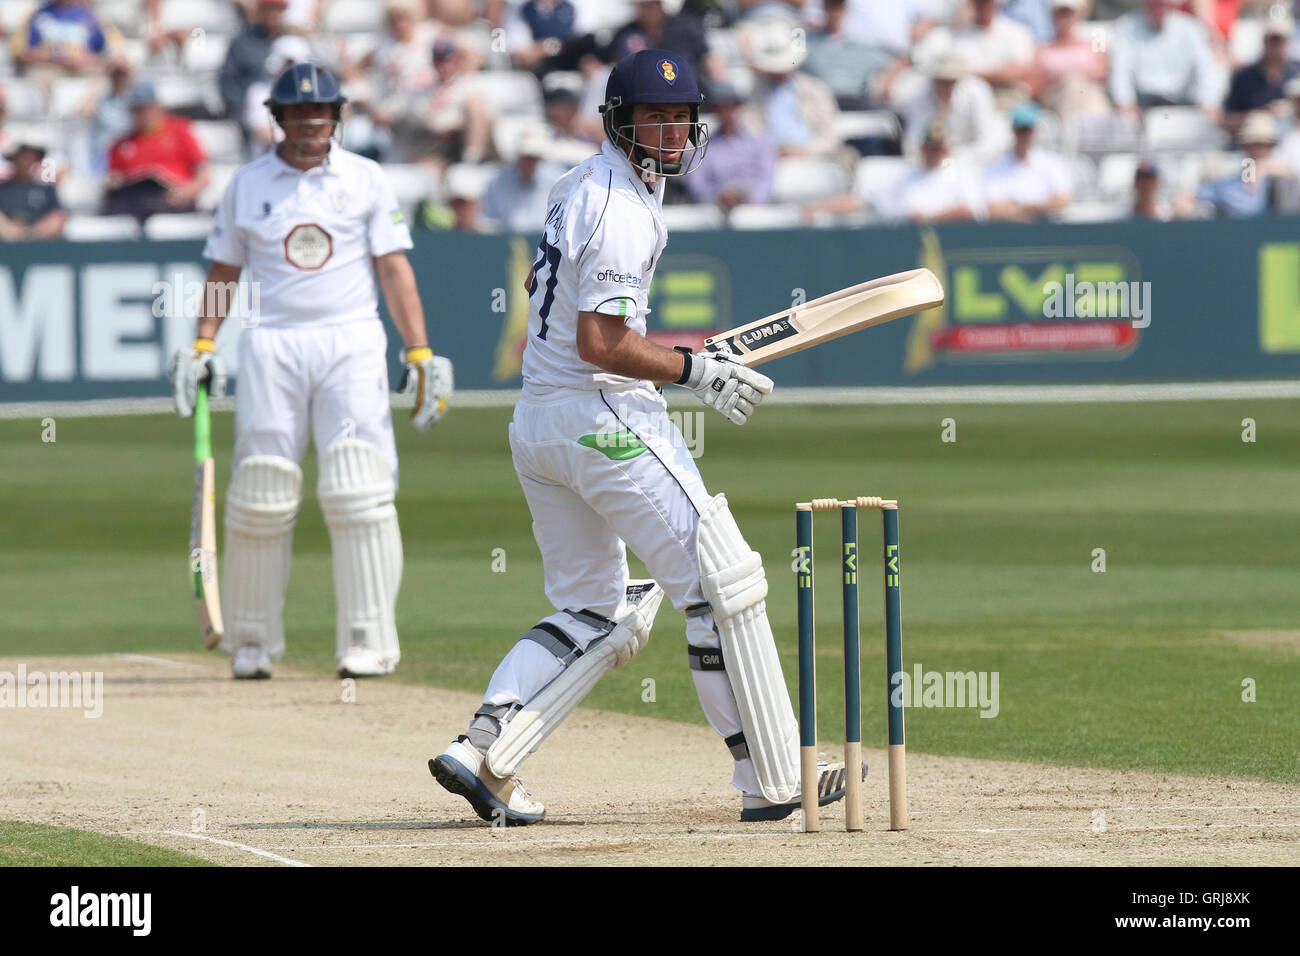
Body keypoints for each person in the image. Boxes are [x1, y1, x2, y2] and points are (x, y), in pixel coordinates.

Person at [429, 49, 857, 826]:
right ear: (617, 123)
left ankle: (486, 747)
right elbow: (601, 342)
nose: (666, 131)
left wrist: (672, 358)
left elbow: (554, 302)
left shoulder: (578, 185)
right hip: (605, 417)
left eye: (678, 117)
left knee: (595, 610)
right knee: (719, 581)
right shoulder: (623, 208)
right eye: (649, 117)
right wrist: (691, 371)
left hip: (539, 424)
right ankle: (772, 777)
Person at [167, 63, 454, 681]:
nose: (310, 121)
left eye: (320, 110)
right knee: (262, 491)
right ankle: (252, 642)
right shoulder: (247, 184)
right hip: (272, 341)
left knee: (359, 489)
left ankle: (368, 640)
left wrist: (421, 351)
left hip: (350, 339)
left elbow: (394, 270)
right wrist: (202, 346)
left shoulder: (367, 178)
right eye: (297, 112)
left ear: (337, 115)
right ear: (278, 118)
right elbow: (224, 274)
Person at [105, 81, 211, 223]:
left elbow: (203, 174)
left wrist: (186, 191)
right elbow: (114, 179)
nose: (144, 113)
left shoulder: (179, 130)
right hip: (134, 203)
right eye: (138, 109)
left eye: (147, 107)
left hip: (172, 200)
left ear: (157, 107)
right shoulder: (121, 143)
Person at [1108, 0, 1220, 123]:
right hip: (1143, 108)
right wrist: (1125, 103)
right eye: (1153, 3)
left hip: (1183, 106)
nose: (1158, 8)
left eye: (1162, 4)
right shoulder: (1126, 27)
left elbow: (1206, 71)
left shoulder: (1191, 28)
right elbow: (1120, 71)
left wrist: (1209, 103)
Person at [682, 82, 775, 209]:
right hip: (717, 212)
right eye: (723, 108)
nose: (728, 112)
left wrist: (749, 201)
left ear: (738, 108)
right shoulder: (702, 147)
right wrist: (718, 197)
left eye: (732, 107)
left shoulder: (759, 144)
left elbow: (766, 180)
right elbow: (696, 185)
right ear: (716, 111)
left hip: (754, 213)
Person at [983, 101, 1072, 220]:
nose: (1024, 135)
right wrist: (1031, 209)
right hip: (1011, 229)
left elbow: (1063, 200)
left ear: (1035, 131)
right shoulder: (997, 165)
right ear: (1013, 130)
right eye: (1020, 129)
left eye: (1027, 130)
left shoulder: (1052, 162)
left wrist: (1027, 209)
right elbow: (992, 207)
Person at [1194, 109, 1281, 217]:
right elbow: (1203, 194)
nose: (1258, 150)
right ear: (1245, 147)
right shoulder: (1233, 180)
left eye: (1264, 145)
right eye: (1252, 144)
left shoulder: (1282, 178)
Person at [1223, 14, 1297, 135]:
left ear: (1287, 43)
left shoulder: (1296, 74)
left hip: (1290, 143)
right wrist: (1259, 116)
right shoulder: (1243, 77)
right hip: (1254, 144)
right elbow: (1227, 120)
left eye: (1280, 41)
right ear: (1264, 41)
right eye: (1272, 40)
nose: (1276, 46)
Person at [481, 130, 567, 233]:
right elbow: (490, 220)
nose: (529, 163)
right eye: (526, 157)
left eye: (534, 158)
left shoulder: (556, 179)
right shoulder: (497, 182)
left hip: (546, 242)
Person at [219, 0, 288, 120]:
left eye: (278, 9)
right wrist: (245, 115)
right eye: (269, 9)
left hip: (289, 111)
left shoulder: (293, 41)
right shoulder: (242, 43)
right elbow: (228, 82)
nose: (273, 14)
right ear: (259, 11)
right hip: (252, 114)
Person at [0, 136, 66, 240]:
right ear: (13, 158)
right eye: (20, 156)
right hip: (6, 241)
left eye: (28, 156)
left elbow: (57, 217)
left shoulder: (46, 189)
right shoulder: (2, 189)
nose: (24, 160)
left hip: (38, 240)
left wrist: (32, 233)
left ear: (35, 159)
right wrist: (12, 231)